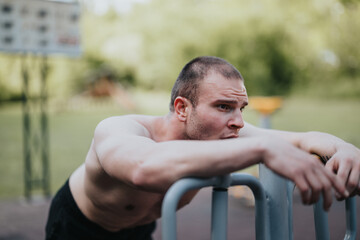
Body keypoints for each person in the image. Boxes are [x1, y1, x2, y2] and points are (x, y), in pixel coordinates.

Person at [45, 56, 360, 240]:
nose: (237, 121)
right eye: (223, 106)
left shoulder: (222, 131)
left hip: (138, 230)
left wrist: (346, 149)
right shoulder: (118, 128)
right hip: (79, 228)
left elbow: (303, 138)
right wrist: (261, 149)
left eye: (241, 108)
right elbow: (144, 168)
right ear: (182, 108)